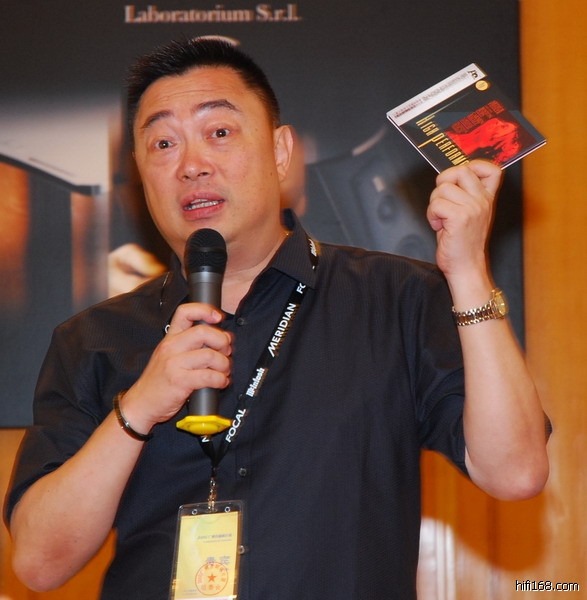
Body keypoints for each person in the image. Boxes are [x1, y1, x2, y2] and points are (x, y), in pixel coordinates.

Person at [4, 38, 549, 599]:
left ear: (281, 150)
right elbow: (39, 564)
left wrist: (467, 271)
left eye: (219, 132)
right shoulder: (92, 339)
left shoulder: (397, 297)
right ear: (141, 174)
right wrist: (140, 406)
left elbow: (515, 472)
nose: (191, 165)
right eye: (163, 143)